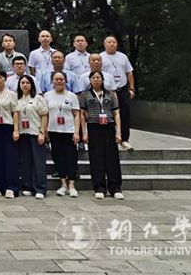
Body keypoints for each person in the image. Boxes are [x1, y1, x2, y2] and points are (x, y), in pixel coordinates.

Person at [80, 71, 124, 199]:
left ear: (102, 79)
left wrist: (118, 132)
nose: (96, 80)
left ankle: (115, 188)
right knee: (96, 157)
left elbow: (116, 113)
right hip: (93, 126)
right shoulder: (85, 95)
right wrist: (84, 132)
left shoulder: (110, 94)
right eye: (93, 78)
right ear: (90, 80)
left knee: (112, 157)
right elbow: (82, 114)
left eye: (98, 77)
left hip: (109, 126)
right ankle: (99, 187)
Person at [45, 71, 81, 198]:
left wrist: (76, 132)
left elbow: (77, 115)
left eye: (61, 79)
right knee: (58, 157)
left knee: (71, 157)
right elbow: (46, 114)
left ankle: (71, 185)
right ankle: (63, 184)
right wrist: (45, 131)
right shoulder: (47, 96)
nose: (59, 81)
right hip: (54, 131)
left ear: (65, 81)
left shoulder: (72, 96)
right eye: (56, 79)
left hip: (69, 131)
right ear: (52, 81)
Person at [0, 70, 20, 198]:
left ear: (5, 79)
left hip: (8, 126)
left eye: (1, 77)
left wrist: (16, 130)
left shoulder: (12, 94)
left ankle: (11, 187)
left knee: (10, 157)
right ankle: (0, 186)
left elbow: (15, 112)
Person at [16, 74, 49, 199]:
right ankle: (27, 186)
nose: (25, 85)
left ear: (32, 85)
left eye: (27, 83)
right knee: (25, 162)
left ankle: (40, 188)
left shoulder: (38, 98)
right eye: (22, 83)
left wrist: (42, 132)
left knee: (38, 162)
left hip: (35, 133)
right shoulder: (17, 99)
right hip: (23, 133)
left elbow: (44, 115)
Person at [101, 36, 136, 150]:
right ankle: (110, 138)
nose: (112, 44)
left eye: (114, 42)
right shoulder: (101, 57)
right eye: (109, 42)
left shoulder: (123, 57)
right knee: (108, 114)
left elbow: (129, 72)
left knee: (125, 114)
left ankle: (125, 139)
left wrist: (132, 88)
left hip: (122, 89)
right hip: (107, 91)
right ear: (104, 44)